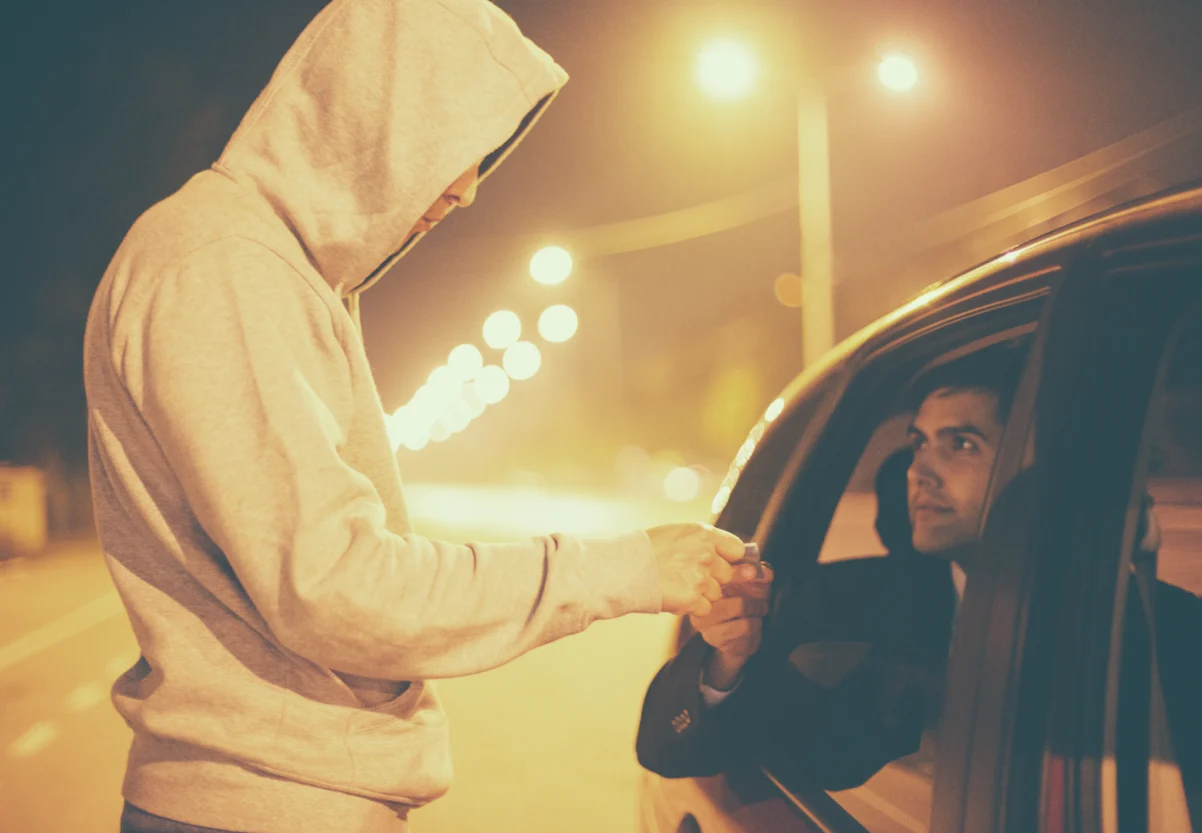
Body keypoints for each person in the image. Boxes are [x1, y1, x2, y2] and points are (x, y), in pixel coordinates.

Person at [83, 2, 745, 832]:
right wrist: (621, 569)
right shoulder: (226, 267)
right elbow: (333, 587)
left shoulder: (270, 270)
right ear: (372, 117)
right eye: (451, 144)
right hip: (264, 805)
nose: (466, 188)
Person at [636, 346, 1024, 785]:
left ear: (1030, 464)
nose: (920, 472)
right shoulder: (839, 603)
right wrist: (729, 659)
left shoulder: (1103, 603)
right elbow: (666, 749)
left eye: (961, 445)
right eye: (919, 443)